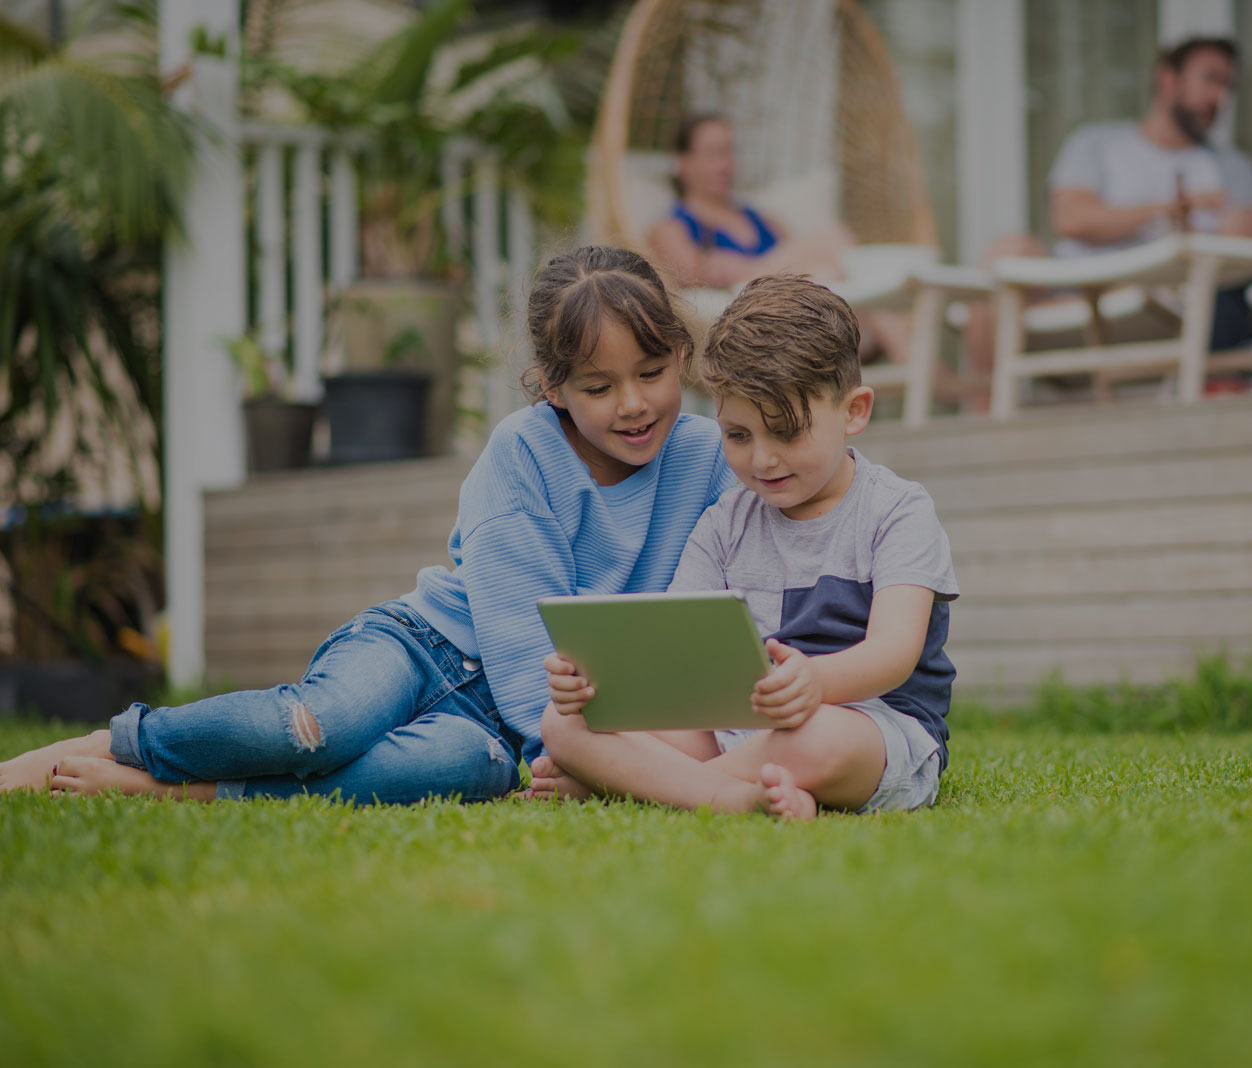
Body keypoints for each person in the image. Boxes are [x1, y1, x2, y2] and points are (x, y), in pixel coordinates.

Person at [0, 246, 736, 804]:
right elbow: (521, 657)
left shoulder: (707, 455)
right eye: (599, 388)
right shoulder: (522, 452)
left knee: (455, 773)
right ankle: (113, 743)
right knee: (319, 727)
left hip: (496, 734)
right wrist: (578, 756)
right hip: (427, 649)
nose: (634, 404)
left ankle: (176, 792)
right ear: (553, 388)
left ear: (680, 356)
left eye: (651, 373)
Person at [527, 276, 959, 820]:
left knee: (814, 736)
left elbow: (894, 655)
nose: (763, 461)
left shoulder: (896, 510)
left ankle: (642, 785)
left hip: (870, 729)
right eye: (737, 435)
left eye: (786, 432)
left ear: (854, 411)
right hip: (741, 730)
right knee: (561, 722)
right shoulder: (725, 522)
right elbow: (672, 646)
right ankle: (729, 795)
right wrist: (595, 680)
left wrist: (815, 682)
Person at [963, 37, 1252, 398]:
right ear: (1167, 80)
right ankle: (985, 411)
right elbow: (1071, 219)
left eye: (1227, 87)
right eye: (1210, 80)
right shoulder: (1096, 143)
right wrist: (1167, 208)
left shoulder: (1233, 168)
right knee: (1005, 250)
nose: (1220, 98)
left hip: (1168, 302)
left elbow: (1243, 252)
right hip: (1074, 290)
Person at [649, 113, 910, 364]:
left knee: (826, 269)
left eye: (729, 152)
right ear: (682, 163)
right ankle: (918, 366)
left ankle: (912, 364)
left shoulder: (763, 219)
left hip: (805, 309)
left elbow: (805, 265)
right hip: (754, 316)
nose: (725, 164)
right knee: (833, 235)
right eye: (713, 154)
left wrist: (741, 267)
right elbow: (690, 275)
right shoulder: (672, 225)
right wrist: (748, 272)